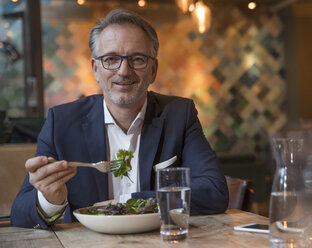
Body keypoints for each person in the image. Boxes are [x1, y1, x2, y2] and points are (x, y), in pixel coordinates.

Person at [11, 9, 229, 228]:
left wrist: (132, 201)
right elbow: (20, 214)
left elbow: (214, 192)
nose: (124, 71)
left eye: (137, 59)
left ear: (153, 70)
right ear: (95, 69)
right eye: (111, 59)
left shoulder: (180, 114)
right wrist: (49, 200)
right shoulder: (61, 122)